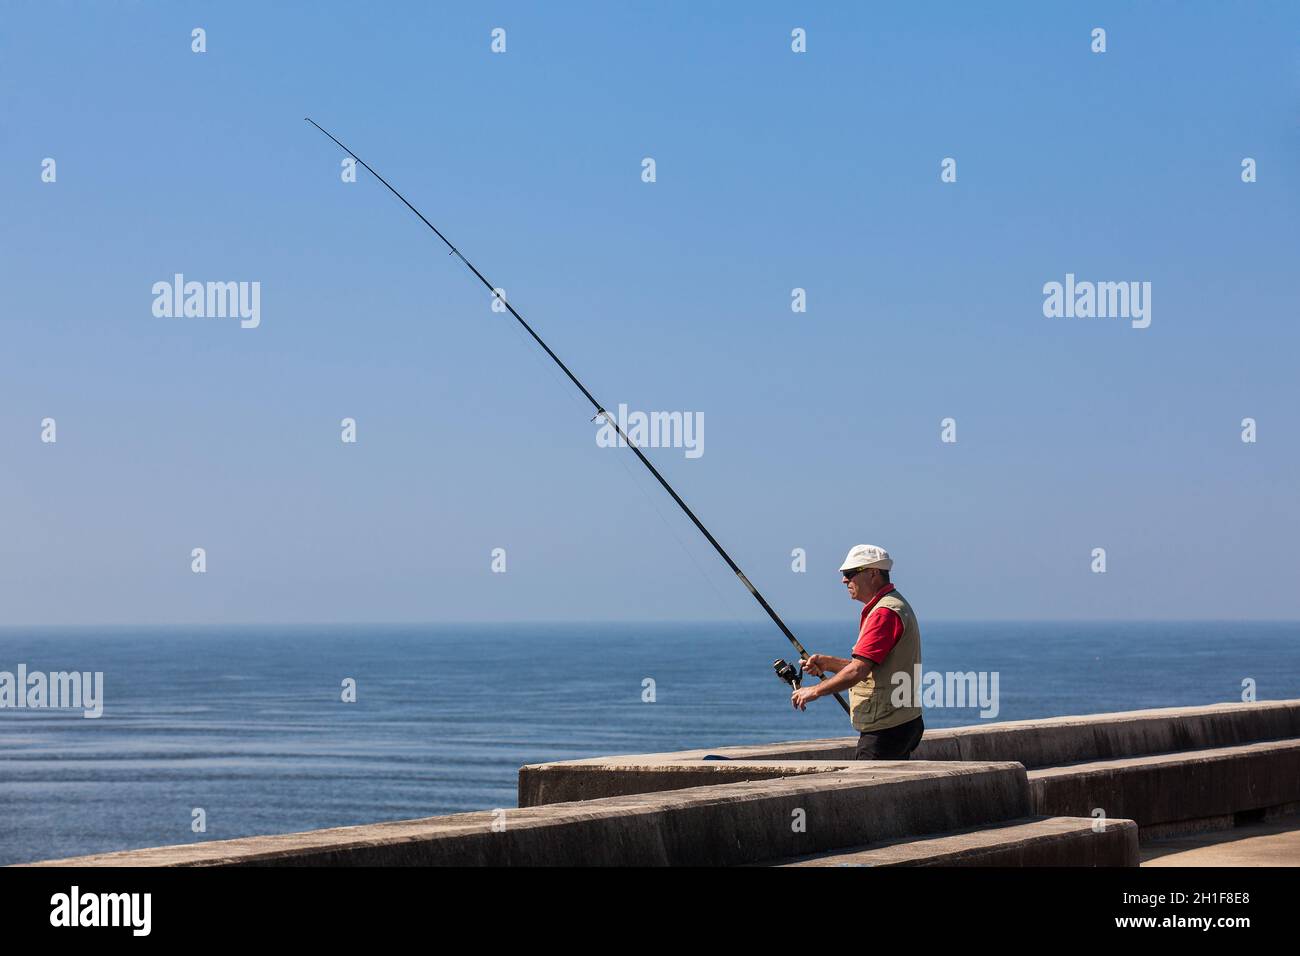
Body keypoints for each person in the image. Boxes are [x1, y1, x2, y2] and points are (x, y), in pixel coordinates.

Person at [790, 544, 924, 759]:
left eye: (850, 574)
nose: (844, 580)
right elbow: (875, 667)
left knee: (873, 789)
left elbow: (858, 671)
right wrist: (829, 663)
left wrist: (813, 691)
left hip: (885, 728)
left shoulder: (884, 613)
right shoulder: (893, 605)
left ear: (873, 574)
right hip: (903, 720)